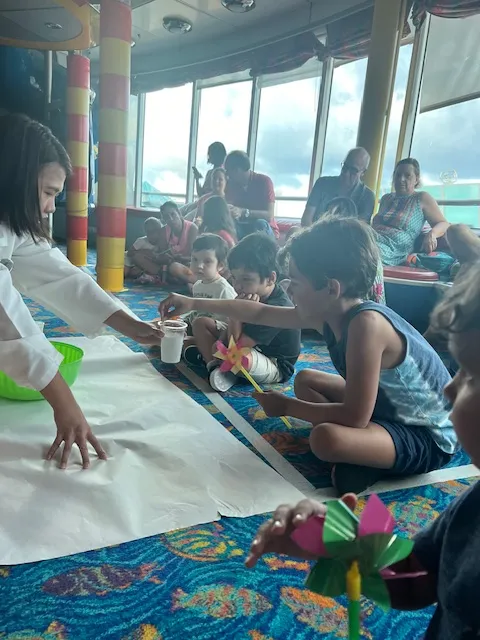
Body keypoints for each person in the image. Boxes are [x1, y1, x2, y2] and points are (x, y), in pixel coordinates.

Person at [246, 262, 480, 640]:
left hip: (419, 437)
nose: (449, 391)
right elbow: (414, 582)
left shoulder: (365, 323)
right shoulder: (472, 506)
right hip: (391, 422)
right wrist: (350, 547)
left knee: (331, 436)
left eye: (471, 374)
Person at [160, 218, 456, 494]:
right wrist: (191, 301)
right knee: (306, 380)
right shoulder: (330, 312)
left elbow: (355, 415)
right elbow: (260, 312)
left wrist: (288, 406)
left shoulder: (366, 326)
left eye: (296, 282)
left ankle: (362, 459)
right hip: (387, 406)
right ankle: (364, 452)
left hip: (427, 435)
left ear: (330, 287)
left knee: (326, 439)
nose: (289, 289)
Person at [0, 113, 162, 469]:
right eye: (47, 193)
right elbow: (6, 319)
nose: (48, 208)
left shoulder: (7, 223)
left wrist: (133, 326)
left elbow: (60, 276)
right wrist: (64, 403)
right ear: (15, 176)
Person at [173, 233, 301, 393]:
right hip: (244, 344)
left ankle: (218, 365)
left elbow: (235, 349)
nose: (237, 286)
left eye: (246, 279)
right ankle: (214, 367)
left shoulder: (278, 307)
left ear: (270, 278)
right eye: (234, 278)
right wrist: (218, 343)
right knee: (200, 323)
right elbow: (225, 341)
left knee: (235, 358)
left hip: (274, 363)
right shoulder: (249, 295)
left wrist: (235, 316)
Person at [373, 158, 450, 266]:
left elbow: (444, 223)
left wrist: (432, 234)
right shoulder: (386, 198)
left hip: (395, 248)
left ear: (416, 179)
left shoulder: (421, 198)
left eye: (407, 175)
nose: (401, 179)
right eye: (398, 175)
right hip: (373, 238)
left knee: (364, 253)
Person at [183, 234, 236, 360]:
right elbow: (196, 312)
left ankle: (211, 362)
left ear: (220, 265)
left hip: (222, 332)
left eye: (207, 261)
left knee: (199, 323)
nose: (199, 266)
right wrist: (183, 323)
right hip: (201, 325)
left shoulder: (223, 288)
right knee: (168, 326)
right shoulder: (197, 285)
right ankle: (195, 347)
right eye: (195, 259)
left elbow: (229, 323)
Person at [302, 148, 374, 227]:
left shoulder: (367, 196)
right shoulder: (322, 183)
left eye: (353, 170)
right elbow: (306, 219)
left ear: (363, 172)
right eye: (345, 167)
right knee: (294, 230)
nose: (346, 173)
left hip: (345, 238)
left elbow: (360, 230)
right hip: (314, 234)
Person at [140, 201, 198, 286]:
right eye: (166, 217)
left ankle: (192, 281)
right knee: (140, 257)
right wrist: (166, 257)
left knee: (176, 267)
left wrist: (179, 258)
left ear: (178, 213)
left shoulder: (192, 228)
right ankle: (176, 279)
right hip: (169, 264)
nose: (170, 219)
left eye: (173, 214)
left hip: (186, 264)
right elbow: (162, 253)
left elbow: (193, 256)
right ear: (164, 220)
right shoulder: (163, 231)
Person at [224, 151, 279, 240]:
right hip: (242, 228)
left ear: (237, 170)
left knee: (260, 224)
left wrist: (244, 212)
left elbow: (269, 215)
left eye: (228, 171)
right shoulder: (230, 186)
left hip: (264, 229)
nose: (227, 175)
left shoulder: (264, 182)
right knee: (229, 225)